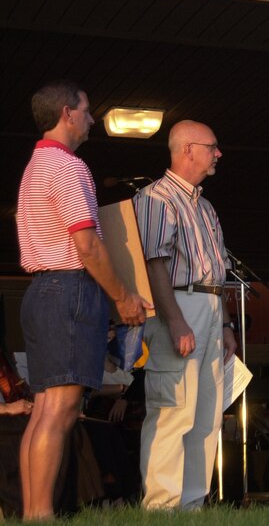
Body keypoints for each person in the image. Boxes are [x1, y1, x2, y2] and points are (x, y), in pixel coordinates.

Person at [15, 80, 151, 520]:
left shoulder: (36, 164)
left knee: (44, 410)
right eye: (88, 110)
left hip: (41, 291)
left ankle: (36, 513)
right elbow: (87, 244)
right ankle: (40, 515)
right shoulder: (68, 167)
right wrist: (124, 297)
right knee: (60, 409)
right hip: (69, 287)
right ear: (67, 113)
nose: (93, 119)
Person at [134, 120, 237, 510]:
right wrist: (175, 319)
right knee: (173, 407)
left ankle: (192, 505)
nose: (218, 154)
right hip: (179, 303)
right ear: (188, 150)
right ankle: (162, 506)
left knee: (206, 412)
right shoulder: (157, 198)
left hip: (208, 304)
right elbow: (154, 264)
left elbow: (216, 271)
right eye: (213, 146)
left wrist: (226, 322)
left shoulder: (205, 205)